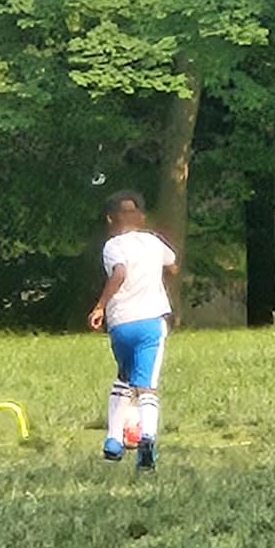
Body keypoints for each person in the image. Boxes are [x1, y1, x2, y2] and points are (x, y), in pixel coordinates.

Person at [88, 189, 177, 471]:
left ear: (110, 219)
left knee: (124, 378)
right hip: (151, 321)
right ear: (140, 217)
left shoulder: (113, 246)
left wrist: (101, 307)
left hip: (121, 322)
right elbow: (172, 265)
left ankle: (113, 440)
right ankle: (146, 438)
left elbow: (119, 271)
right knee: (146, 387)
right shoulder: (153, 241)